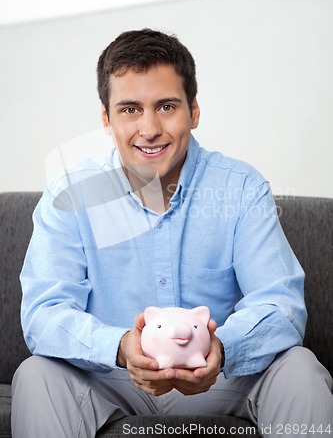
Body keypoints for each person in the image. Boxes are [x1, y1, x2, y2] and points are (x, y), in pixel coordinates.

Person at [12, 28, 333, 437]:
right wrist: (121, 347)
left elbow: (281, 305)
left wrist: (222, 348)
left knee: (300, 368)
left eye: (166, 106)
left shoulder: (241, 188)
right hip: (111, 378)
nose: (149, 128)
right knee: (37, 374)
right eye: (129, 109)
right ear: (106, 119)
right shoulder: (70, 195)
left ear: (194, 111)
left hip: (222, 377)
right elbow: (43, 312)